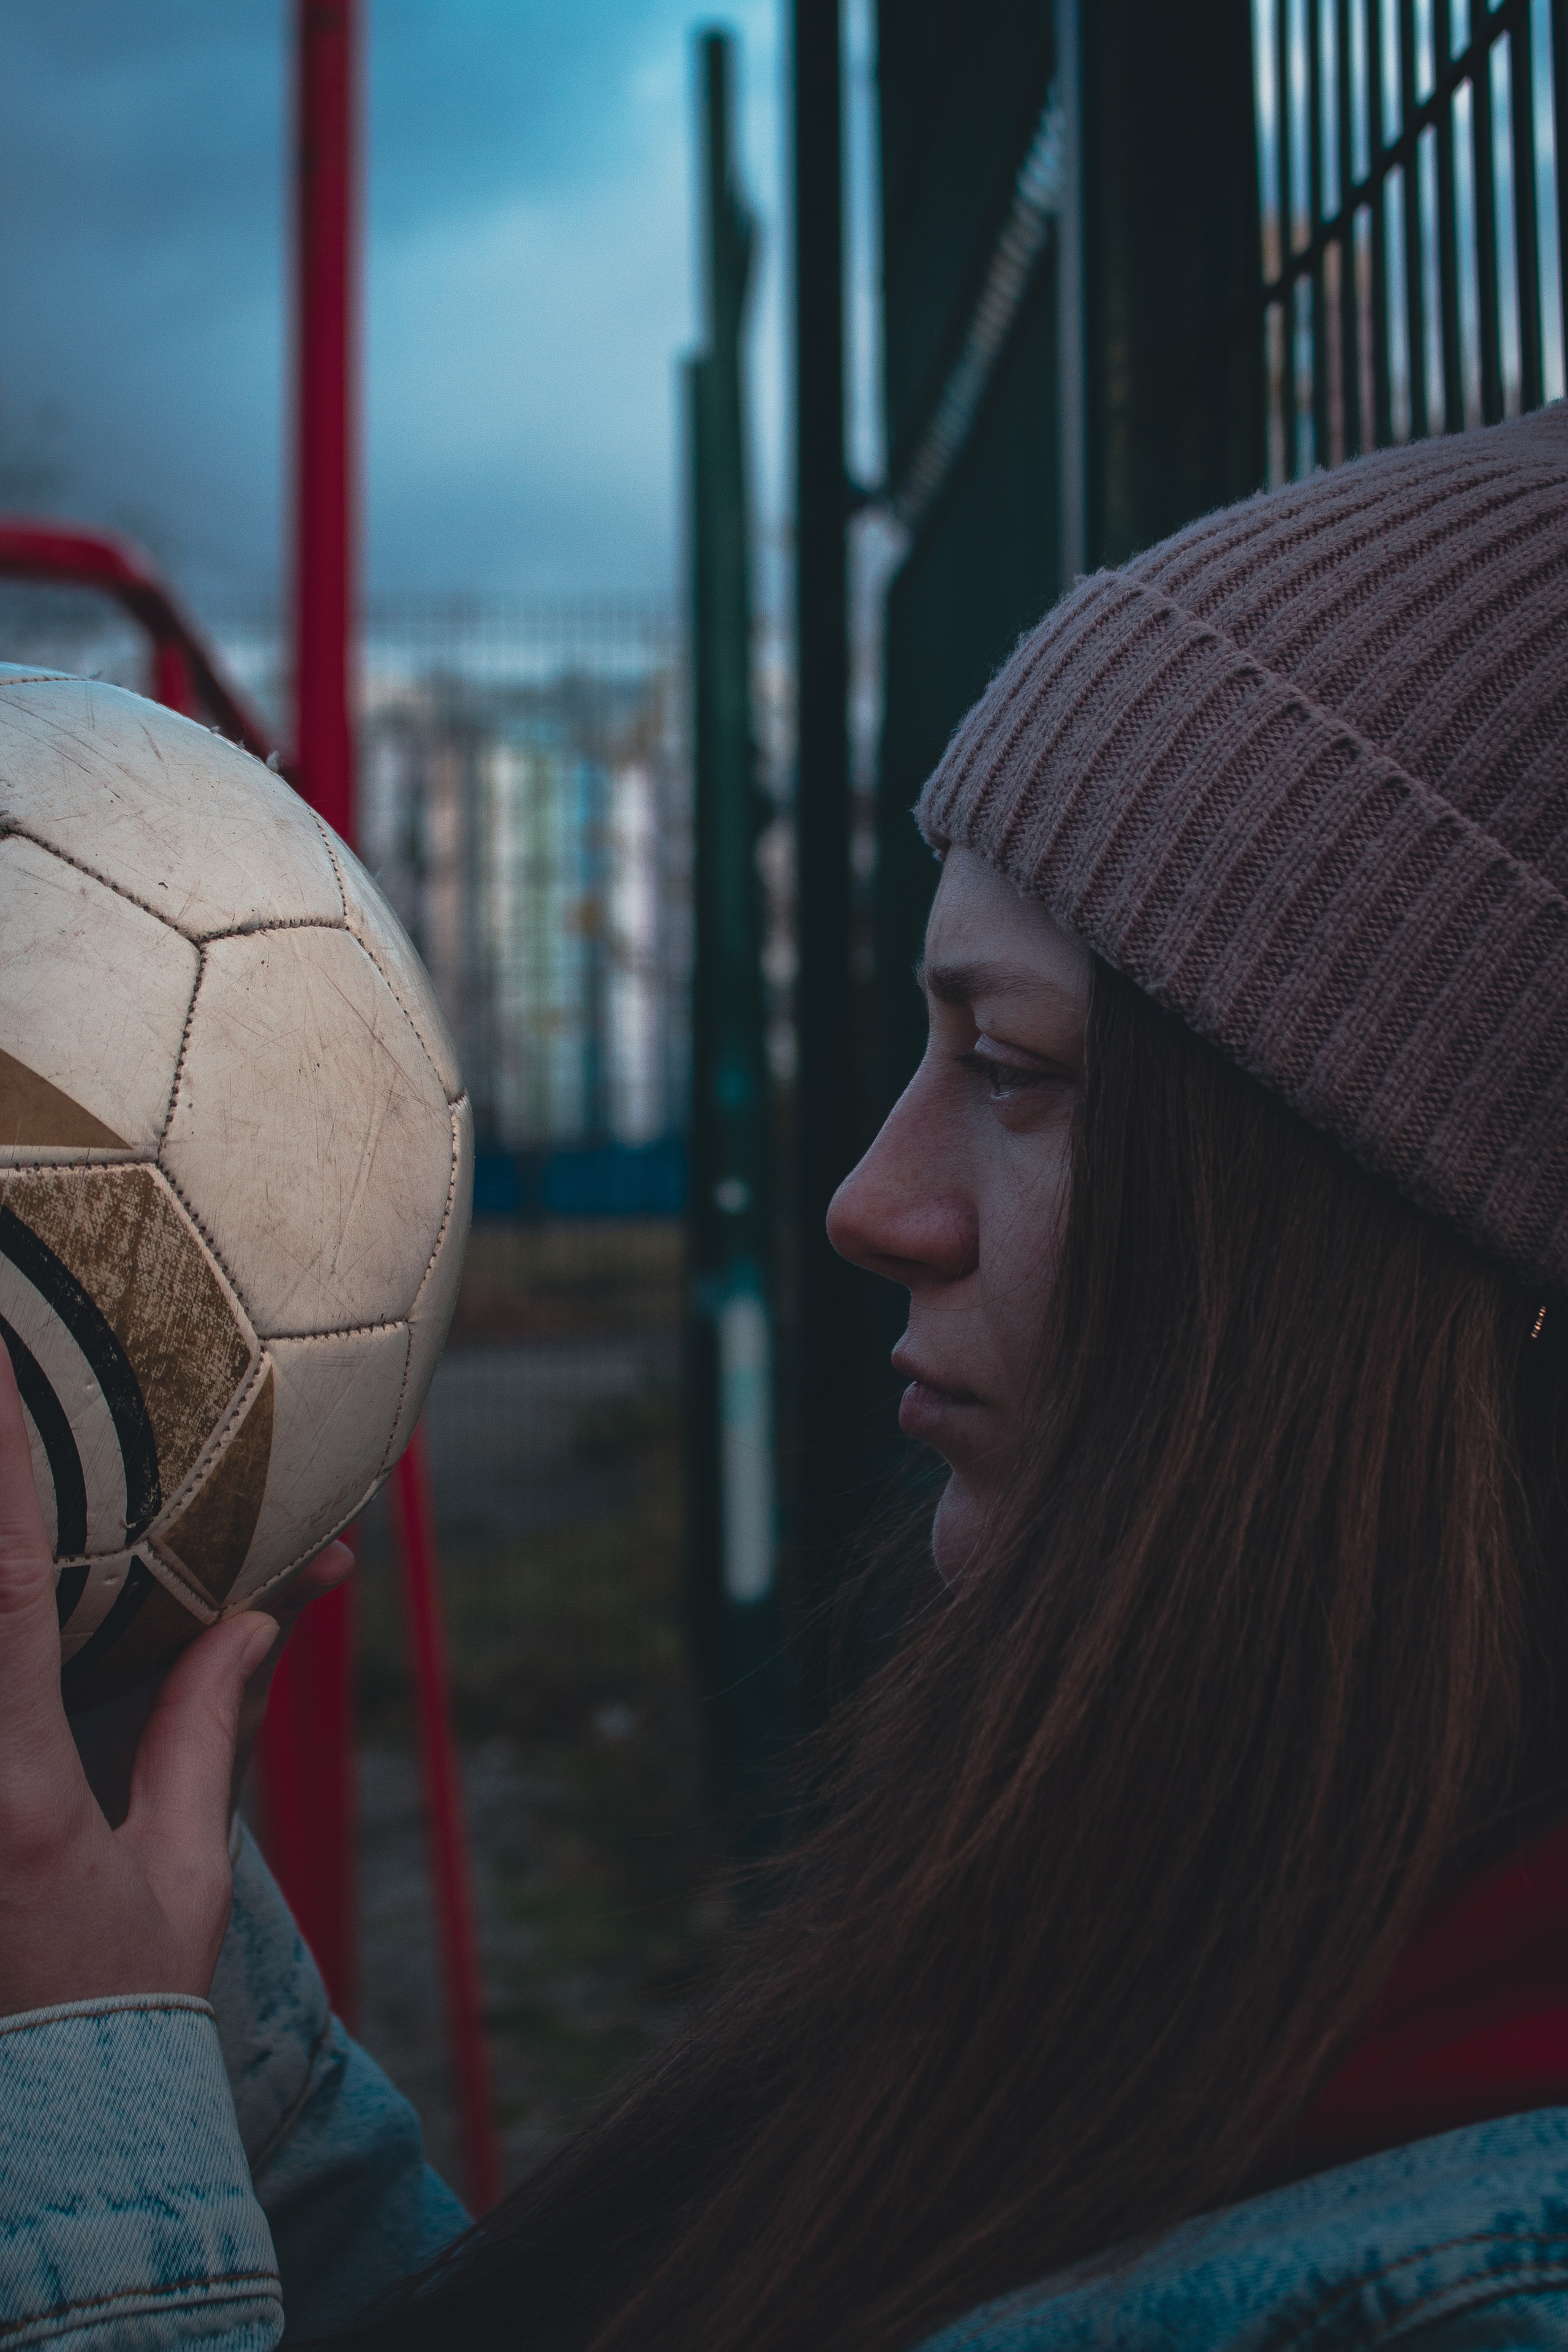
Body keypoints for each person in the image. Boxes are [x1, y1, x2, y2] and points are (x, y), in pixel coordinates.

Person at [2, 404, 1567, 2352]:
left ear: (1400, 1234)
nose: (873, 1202)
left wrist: (76, 2119)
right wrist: (146, 2012)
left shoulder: (1471, 2277)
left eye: (1017, 1071)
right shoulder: (1238, 1955)